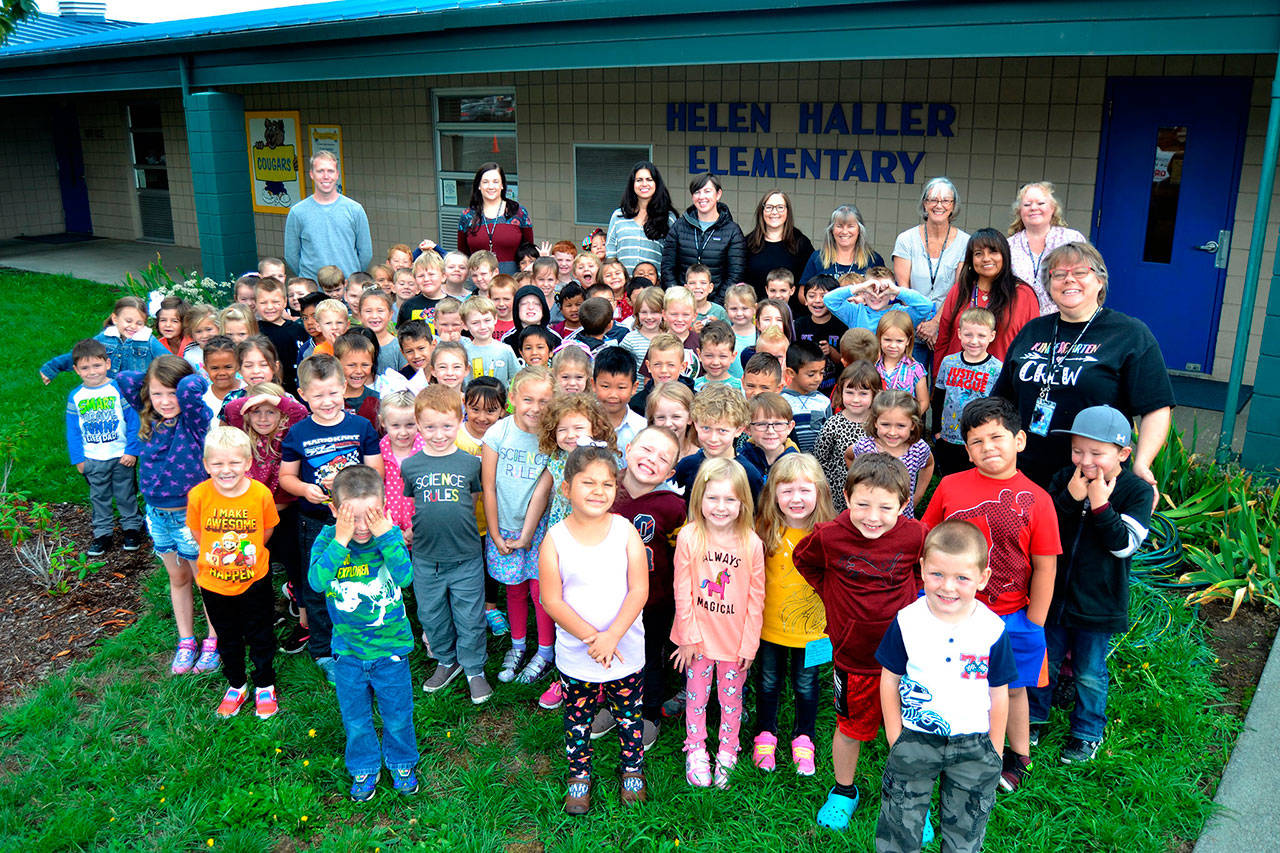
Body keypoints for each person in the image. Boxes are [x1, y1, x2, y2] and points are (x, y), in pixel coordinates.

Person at [920, 397, 1061, 794]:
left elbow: (1046, 566)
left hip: (1011, 615)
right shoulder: (950, 486)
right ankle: (953, 745)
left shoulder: (1038, 499)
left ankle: (1018, 756)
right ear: (966, 450)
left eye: (997, 437)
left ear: (1020, 440)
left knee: (1013, 688)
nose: (988, 447)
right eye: (977, 441)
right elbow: (926, 541)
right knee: (953, 680)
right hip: (950, 609)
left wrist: (1034, 622)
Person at [794, 453, 927, 831]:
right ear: (847, 498)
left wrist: (914, 598)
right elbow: (805, 561)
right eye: (862, 504)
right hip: (853, 658)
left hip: (905, 659)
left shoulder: (915, 535)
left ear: (904, 505)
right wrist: (831, 595)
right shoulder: (829, 536)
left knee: (907, 730)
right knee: (849, 727)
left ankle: (910, 796)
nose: (872, 516)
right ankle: (843, 790)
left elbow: (926, 570)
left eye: (885, 507)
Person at [874, 520, 1017, 853]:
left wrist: (995, 749)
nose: (948, 587)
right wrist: (896, 737)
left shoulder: (992, 629)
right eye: (937, 574)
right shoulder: (907, 621)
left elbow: (999, 692)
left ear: (983, 578)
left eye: (962, 578)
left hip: (974, 744)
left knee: (965, 834)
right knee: (899, 828)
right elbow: (889, 680)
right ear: (922, 568)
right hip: (915, 740)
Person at [993, 241, 1175, 492]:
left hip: (1093, 475)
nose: (1069, 280)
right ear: (1049, 285)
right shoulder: (1033, 330)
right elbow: (1002, 401)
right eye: (1059, 274)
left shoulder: (1129, 334)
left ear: (1100, 281)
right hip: (1024, 470)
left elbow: (1155, 407)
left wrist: (1142, 463)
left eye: (1080, 272)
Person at [1029, 406, 1154, 764]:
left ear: (1123, 454)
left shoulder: (1135, 492)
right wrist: (1069, 498)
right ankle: (1035, 717)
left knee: (1089, 671)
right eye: (1077, 450)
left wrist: (1100, 505)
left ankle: (1086, 731)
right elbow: (1045, 531)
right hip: (1054, 596)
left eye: (1097, 453)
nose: (1085, 460)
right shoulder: (1064, 478)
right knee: (1045, 661)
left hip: (1100, 601)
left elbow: (1123, 545)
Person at [538, 446, 650, 813]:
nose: (598, 490)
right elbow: (552, 600)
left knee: (629, 716)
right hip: (578, 654)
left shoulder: (625, 531)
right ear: (567, 488)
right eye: (588, 483)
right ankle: (579, 774)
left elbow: (639, 589)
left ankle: (632, 767)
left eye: (607, 483)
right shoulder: (555, 539)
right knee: (577, 719)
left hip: (626, 650)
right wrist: (593, 638)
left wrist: (613, 635)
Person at [308, 465, 419, 802]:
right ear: (334, 511)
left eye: (370, 516)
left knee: (398, 714)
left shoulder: (389, 536)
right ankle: (364, 766)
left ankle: (401, 762)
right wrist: (339, 540)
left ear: (383, 509)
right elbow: (316, 582)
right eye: (350, 518)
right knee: (355, 718)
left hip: (391, 651)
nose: (361, 527)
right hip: (348, 653)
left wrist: (386, 535)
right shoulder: (328, 541)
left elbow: (404, 578)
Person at [280, 353, 384, 682]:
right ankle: (324, 650)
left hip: (359, 520)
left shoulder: (361, 426)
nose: (327, 401)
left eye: (332, 392)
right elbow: (286, 477)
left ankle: (365, 634)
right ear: (303, 394)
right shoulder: (298, 433)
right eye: (318, 394)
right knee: (319, 585)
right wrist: (305, 489)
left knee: (361, 578)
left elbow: (376, 470)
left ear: (344, 388)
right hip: (316, 522)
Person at [117, 356, 216, 673]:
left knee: (205, 580)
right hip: (158, 516)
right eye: (157, 393)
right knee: (178, 577)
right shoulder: (149, 418)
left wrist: (195, 376)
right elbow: (125, 379)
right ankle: (187, 640)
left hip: (192, 517)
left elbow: (190, 389)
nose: (165, 401)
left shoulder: (193, 421)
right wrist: (153, 382)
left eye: (172, 393)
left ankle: (215, 640)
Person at [671, 457, 766, 789]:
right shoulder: (689, 537)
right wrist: (687, 636)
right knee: (695, 698)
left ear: (743, 503)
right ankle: (695, 749)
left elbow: (756, 599)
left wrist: (749, 643)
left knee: (732, 700)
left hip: (734, 642)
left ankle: (728, 750)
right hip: (696, 640)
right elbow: (682, 591)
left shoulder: (752, 544)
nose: (721, 507)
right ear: (699, 498)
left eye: (730, 499)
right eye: (712, 498)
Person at [403, 385, 493, 705]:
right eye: (429, 426)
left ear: (460, 421)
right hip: (426, 559)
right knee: (432, 615)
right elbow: (414, 505)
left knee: (469, 616)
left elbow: (470, 503)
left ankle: (473, 668)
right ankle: (446, 659)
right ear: (417, 425)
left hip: (465, 556)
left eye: (446, 426)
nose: (438, 434)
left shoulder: (470, 464)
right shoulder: (411, 466)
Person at [187, 427, 280, 719]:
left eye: (234, 463)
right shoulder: (199, 495)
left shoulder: (260, 494)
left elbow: (267, 529)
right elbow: (197, 532)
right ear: (206, 465)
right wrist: (221, 561)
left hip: (254, 580)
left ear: (248, 462)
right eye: (217, 464)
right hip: (214, 583)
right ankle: (237, 684)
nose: (226, 470)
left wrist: (244, 557)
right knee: (227, 636)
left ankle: (265, 684)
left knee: (261, 632)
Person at [752, 454, 835, 777]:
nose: (795, 499)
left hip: (815, 633)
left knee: (806, 684)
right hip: (769, 628)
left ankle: (804, 737)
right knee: (768, 681)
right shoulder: (765, 530)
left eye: (804, 490)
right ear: (773, 494)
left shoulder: (828, 534)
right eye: (786, 491)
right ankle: (766, 733)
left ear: (820, 493)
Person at [607, 426, 686, 744]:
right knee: (609, 650)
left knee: (649, 655)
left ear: (671, 470)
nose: (652, 459)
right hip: (607, 595)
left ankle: (649, 711)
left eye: (663, 458)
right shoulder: (605, 488)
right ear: (627, 448)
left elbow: (680, 556)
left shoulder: (672, 507)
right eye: (646, 449)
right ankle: (611, 706)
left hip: (655, 600)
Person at [221, 383, 310, 654]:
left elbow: (298, 410)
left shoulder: (289, 433)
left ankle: (306, 624)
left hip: (287, 514)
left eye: (270, 412)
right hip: (254, 518)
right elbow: (231, 409)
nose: (263, 418)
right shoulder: (241, 436)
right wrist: (255, 399)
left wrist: (274, 399)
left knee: (297, 568)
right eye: (256, 411)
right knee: (256, 570)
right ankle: (263, 619)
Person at [482, 366, 555, 684]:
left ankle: (545, 650)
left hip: (540, 531)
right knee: (514, 589)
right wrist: (495, 532)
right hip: (505, 526)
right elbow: (488, 487)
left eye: (544, 401)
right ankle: (517, 645)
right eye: (528, 399)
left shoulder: (553, 437)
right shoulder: (498, 434)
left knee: (542, 591)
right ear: (512, 399)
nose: (535, 408)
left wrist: (529, 535)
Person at [62, 339, 145, 558]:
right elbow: (73, 431)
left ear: (107, 364)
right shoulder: (76, 396)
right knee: (99, 496)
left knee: (126, 493)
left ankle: (132, 528)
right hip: (93, 457)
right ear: (76, 370)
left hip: (120, 456)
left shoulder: (117, 389)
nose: (92, 372)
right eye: (85, 368)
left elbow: (133, 421)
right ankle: (103, 533)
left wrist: (131, 450)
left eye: (97, 365)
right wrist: (79, 459)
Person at [930, 228, 1039, 378]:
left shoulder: (1023, 295)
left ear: (1005, 256)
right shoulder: (960, 290)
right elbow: (943, 339)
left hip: (1001, 387)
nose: (986, 258)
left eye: (993, 252)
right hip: (956, 386)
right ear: (970, 259)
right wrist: (938, 381)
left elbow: (1032, 347)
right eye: (978, 253)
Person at [892, 177, 970, 358]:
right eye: (933, 200)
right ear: (925, 204)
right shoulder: (906, 239)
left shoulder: (965, 242)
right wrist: (922, 323)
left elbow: (959, 289)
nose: (939, 205)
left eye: (945, 200)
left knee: (941, 384)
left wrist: (935, 323)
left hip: (947, 328)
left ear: (953, 205)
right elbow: (903, 288)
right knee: (909, 384)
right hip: (912, 328)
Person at [934, 308, 1002, 477]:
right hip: (948, 436)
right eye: (968, 335)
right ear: (959, 333)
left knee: (974, 478)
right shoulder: (949, 362)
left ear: (992, 336)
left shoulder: (997, 368)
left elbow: (998, 407)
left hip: (978, 439)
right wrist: (937, 429)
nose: (974, 341)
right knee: (949, 476)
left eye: (981, 336)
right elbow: (938, 397)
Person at [284, 151, 372, 280]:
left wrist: (351, 278)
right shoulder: (297, 212)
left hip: (346, 288)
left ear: (337, 175)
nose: (326, 176)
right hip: (313, 289)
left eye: (330, 171)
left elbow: (365, 253)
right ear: (311, 174)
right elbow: (291, 255)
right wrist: (310, 279)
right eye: (320, 171)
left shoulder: (355, 210)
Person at [41, 296, 170, 382]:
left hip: (137, 395)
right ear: (115, 319)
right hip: (108, 393)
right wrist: (53, 367)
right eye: (128, 321)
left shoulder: (148, 341)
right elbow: (80, 355)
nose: (133, 326)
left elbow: (171, 361)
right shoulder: (105, 338)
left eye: (139, 323)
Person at [1007, 181, 1089, 315]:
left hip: (1064, 318)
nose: (1033, 208)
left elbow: (1085, 278)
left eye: (1041, 203)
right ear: (1019, 211)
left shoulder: (1071, 239)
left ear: (1053, 208)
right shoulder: (1009, 245)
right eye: (1027, 204)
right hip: (1020, 320)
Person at [661, 173, 746, 302]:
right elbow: (667, 268)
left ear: (718, 194)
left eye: (707, 191)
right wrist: (679, 299)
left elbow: (735, 274)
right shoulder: (679, 226)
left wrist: (716, 306)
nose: (702, 197)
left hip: (717, 306)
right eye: (697, 192)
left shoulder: (732, 231)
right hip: (682, 306)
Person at [850, 390, 934, 519]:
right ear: (875, 422)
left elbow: (929, 465)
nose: (892, 432)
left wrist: (916, 497)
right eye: (885, 424)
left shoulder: (918, 449)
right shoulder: (865, 447)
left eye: (900, 426)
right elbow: (849, 456)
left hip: (902, 516)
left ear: (912, 425)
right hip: (870, 515)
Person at [671, 384, 765, 500]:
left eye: (722, 430)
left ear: (739, 430)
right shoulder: (686, 467)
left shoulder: (749, 474)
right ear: (695, 424)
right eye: (706, 428)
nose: (713, 438)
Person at [814, 361, 882, 512]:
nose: (855, 399)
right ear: (841, 391)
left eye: (863, 393)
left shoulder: (880, 424)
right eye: (850, 392)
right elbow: (820, 459)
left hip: (875, 488)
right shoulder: (833, 424)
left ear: (875, 394)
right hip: (839, 492)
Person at [456, 162, 533, 274]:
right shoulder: (467, 215)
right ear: (479, 186)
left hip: (513, 282)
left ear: (502, 185)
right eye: (485, 182)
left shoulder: (518, 212)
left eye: (495, 182)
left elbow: (528, 250)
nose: (491, 186)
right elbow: (462, 254)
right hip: (479, 283)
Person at [743, 190, 816, 299]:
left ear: (787, 211)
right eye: (769, 207)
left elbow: (811, 281)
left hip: (792, 313)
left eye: (780, 207)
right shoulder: (748, 243)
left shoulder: (800, 243)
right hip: (756, 313)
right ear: (761, 211)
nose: (774, 212)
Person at [605, 161, 676, 272]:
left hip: (654, 286)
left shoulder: (668, 218)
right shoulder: (619, 215)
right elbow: (610, 250)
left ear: (656, 184)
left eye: (649, 180)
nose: (644, 184)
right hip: (623, 285)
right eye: (639, 180)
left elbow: (671, 256)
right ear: (632, 184)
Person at [823, 266, 935, 333]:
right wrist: (860, 287)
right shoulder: (856, 312)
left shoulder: (901, 314)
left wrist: (897, 291)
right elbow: (829, 300)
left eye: (883, 290)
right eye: (871, 289)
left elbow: (926, 306)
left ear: (892, 295)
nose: (876, 295)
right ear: (863, 293)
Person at [801, 204, 885, 283]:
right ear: (831, 230)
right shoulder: (818, 257)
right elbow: (802, 292)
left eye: (850, 226)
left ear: (859, 230)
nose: (844, 231)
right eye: (839, 226)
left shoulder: (873, 259)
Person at [795, 275, 848, 393]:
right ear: (805, 300)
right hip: (804, 389)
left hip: (834, 389)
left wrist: (831, 351)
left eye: (824, 296)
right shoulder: (799, 325)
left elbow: (846, 361)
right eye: (812, 296)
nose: (818, 300)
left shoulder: (842, 326)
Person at [780, 340, 831, 455]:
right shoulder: (781, 401)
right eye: (811, 374)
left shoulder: (824, 402)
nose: (818, 378)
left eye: (822, 373)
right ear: (791, 373)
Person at [875, 312, 929, 416]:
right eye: (887, 340)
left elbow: (924, 402)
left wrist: (910, 421)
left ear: (908, 341)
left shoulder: (915, 368)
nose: (893, 345)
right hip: (876, 425)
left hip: (904, 428)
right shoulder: (873, 365)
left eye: (899, 341)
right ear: (879, 338)